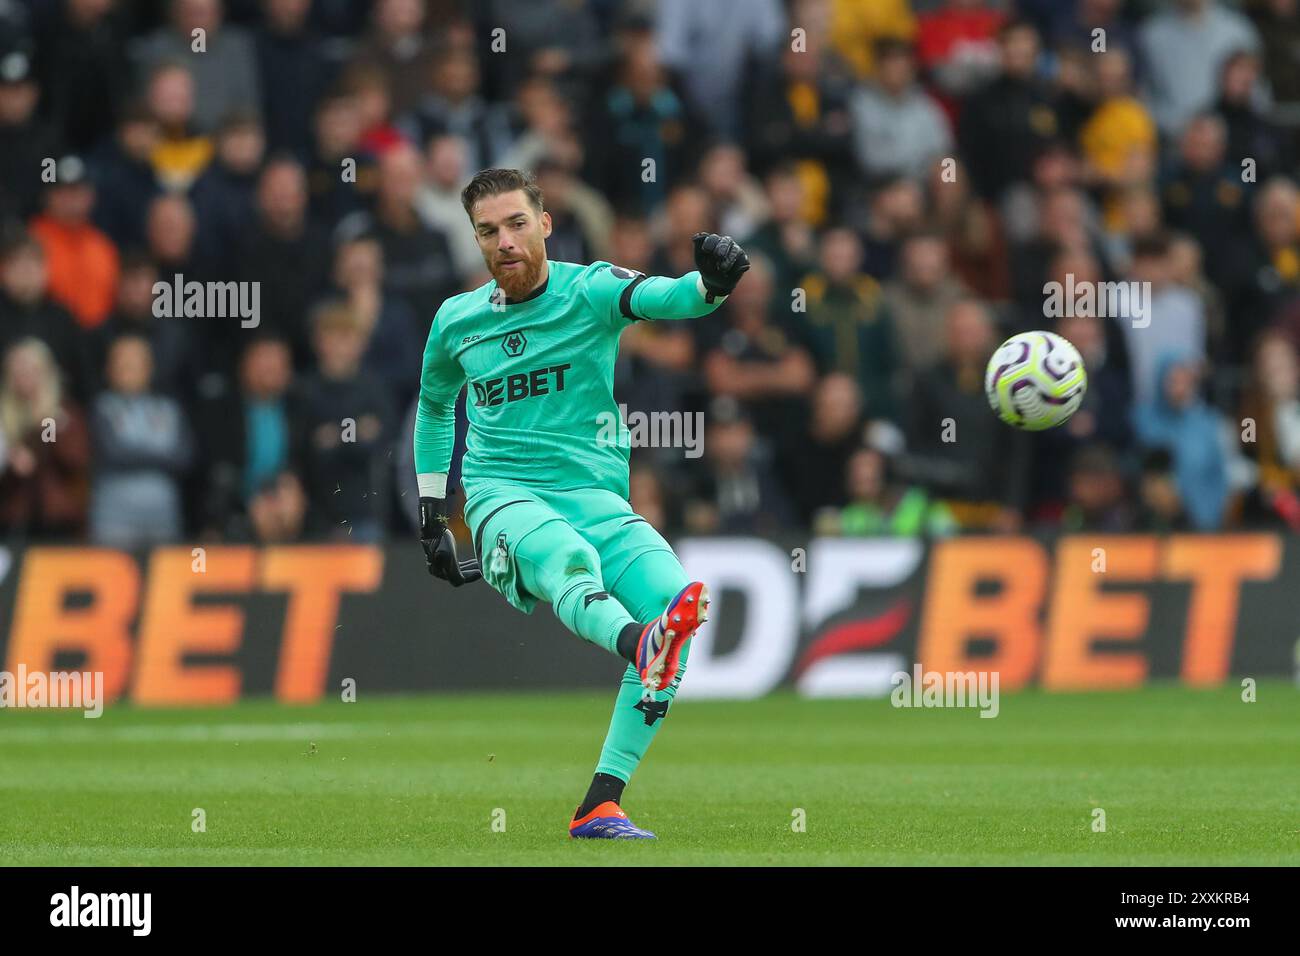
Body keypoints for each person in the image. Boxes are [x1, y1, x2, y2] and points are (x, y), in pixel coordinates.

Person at [413, 168, 748, 839]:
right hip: (500, 494)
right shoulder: (456, 321)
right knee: (570, 561)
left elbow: (674, 298)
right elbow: (434, 405)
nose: (504, 240)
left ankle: (601, 801)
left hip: (594, 495)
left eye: (515, 223)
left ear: (544, 224)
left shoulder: (590, 289)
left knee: (673, 600)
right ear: (477, 240)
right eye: (488, 230)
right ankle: (636, 643)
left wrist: (714, 284)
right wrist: (432, 517)